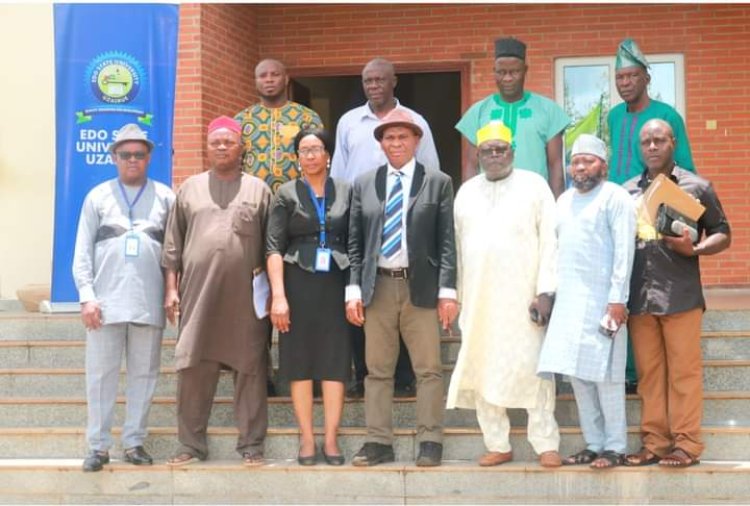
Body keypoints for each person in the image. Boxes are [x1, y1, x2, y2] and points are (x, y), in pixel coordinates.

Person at [446, 120, 562, 468]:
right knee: (482, 365)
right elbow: (456, 249)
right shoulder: (466, 192)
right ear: (478, 155)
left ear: (512, 151)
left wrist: (545, 292)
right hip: (479, 299)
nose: (495, 156)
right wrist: (456, 297)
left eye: (501, 149)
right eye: (487, 151)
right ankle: (497, 442)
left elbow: (550, 242)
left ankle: (545, 443)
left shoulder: (534, 186)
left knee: (534, 368)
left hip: (523, 296)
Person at [346, 109, 458, 467]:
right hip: (377, 286)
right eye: (389, 138)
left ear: (416, 140)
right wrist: (353, 290)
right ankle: (378, 442)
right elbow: (355, 242)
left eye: (403, 137)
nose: (396, 143)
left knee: (428, 368)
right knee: (377, 369)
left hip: (420, 288)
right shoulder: (364, 183)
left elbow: (446, 242)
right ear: (381, 144)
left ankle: (430, 440)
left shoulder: (437, 181)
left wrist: (447, 291)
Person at [162, 116, 273, 467]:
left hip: (246, 296)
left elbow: (272, 247)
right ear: (207, 148)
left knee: (251, 366)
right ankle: (190, 446)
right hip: (199, 294)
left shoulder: (259, 189)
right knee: (194, 365)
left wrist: (276, 293)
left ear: (241, 148)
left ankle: (252, 446)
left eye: (229, 142)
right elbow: (172, 247)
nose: (222, 147)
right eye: (216, 142)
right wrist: (171, 290)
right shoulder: (189, 189)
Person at [331, 57, 441, 398]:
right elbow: (339, 173)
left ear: (394, 82)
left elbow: (432, 172)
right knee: (362, 296)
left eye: (380, 80)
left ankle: (405, 376)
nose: (374, 86)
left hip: (404, 220)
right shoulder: (349, 122)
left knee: (406, 297)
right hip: (360, 219)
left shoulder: (415, 121)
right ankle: (363, 373)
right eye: (368, 81)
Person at [623, 119, 730, 468]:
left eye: (658, 140)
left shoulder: (696, 186)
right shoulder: (626, 193)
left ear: (673, 142)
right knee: (649, 375)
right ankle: (654, 443)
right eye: (645, 142)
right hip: (640, 298)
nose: (651, 147)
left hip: (680, 295)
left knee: (683, 372)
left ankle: (686, 444)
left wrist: (696, 248)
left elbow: (722, 232)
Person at [72, 123, 175, 472]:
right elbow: (82, 251)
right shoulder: (98, 196)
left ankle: (134, 442)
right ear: (113, 156)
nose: (133, 160)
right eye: (126, 154)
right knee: (100, 375)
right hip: (105, 302)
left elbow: (174, 252)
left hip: (149, 299)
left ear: (149, 158)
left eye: (139, 154)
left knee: (144, 375)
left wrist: (173, 291)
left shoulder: (166, 196)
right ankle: (98, 446)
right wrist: (87, 297)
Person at [537, 134, 636, 469]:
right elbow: (552, 250)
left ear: (603, 166)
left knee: (607, 377)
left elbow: (624, 252)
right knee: (578, 376)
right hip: (568, 304)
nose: (580, 166)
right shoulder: (563, 201)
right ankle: (594, 443)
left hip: (604, 303)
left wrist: (617, 301)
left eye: (588, 160)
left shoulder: (616, 197)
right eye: (575, 160)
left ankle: (616, 446)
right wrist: (547, 293)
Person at [266, 128, 351, 466]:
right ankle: (306, 438)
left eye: (316, 148)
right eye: (304, 150)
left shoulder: (346, 190)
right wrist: (278, 296)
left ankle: (330, 439)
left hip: (337, 284)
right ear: (297, 157)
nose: (311, 155)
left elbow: (356, 241)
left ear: (328, 154)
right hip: (297, 285)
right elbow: (273, 246)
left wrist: (355, 290)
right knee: (299, 362)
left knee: (334, 362)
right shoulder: (286, 193)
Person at [455, 37, 570, 198]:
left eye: (514, 72)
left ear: (525, 71)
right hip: (490, 199)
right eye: (501, 72)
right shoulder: (478, 111)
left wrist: (557, 206)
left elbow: (555, 165)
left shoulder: (548, 110)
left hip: (534, 199)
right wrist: (470, 201)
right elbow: (471, 165)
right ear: (494, 72)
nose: (507, 78)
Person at [608, 38, 695, 185]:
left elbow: (686, 170)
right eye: (619, 77)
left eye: (633, 75)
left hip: (652, 199)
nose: (625, 83)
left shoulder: (667, 116)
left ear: (647, 79)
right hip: (616, 201)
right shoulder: (614, 116)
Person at [235, 58, 324, 193]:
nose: (269, 80)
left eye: (275, 75)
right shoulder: (242, 119)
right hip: (252, 197)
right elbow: (234, 161)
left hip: (298, 198)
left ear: (286, 79)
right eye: (263, 76)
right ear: (256, 82)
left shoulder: (307, 117)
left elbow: (320, 159)